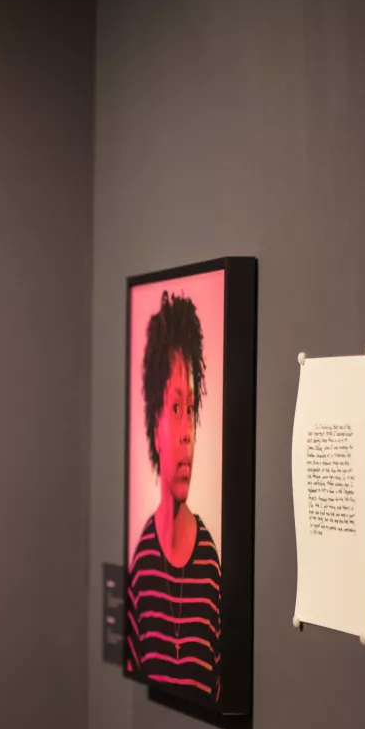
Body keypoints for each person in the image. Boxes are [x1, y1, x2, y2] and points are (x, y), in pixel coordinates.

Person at [125, 291, 222, 702]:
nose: (186, 433)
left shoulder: (211, 567)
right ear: (155, 426)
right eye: (176, 408)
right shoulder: (142, 567)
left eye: (191, 410)